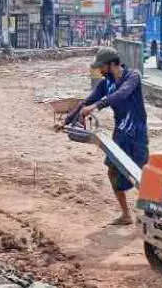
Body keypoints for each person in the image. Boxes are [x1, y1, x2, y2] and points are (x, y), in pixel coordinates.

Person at [63, 47, 149, 226]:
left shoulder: (133, 76)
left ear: (111, 64)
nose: (100, 71)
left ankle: (150, 213)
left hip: (137, 133)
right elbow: (86, 101)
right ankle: (126, 214)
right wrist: (65, 121)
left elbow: (121, 94)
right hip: (120, 134)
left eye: (101, 67)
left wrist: (96, 107)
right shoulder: (106, 83)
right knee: (112, 171)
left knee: (142, 175)